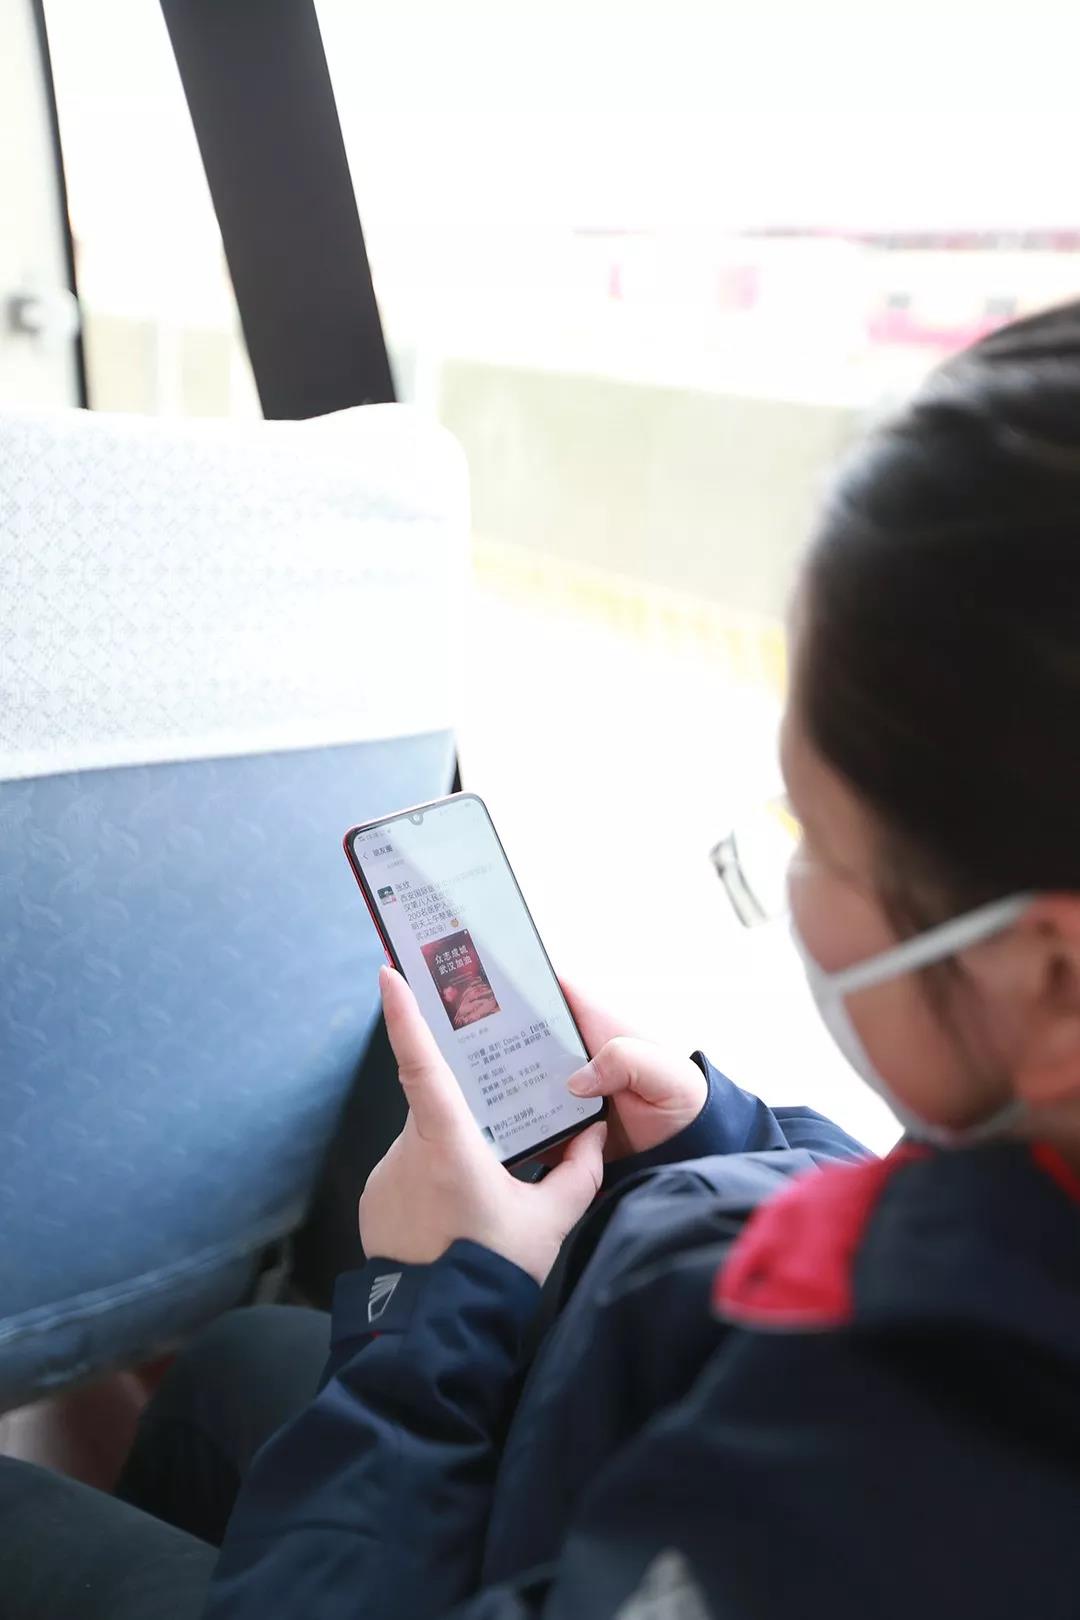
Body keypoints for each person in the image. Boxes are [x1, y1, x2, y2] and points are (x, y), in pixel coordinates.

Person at [4, 300, 1080, 1618]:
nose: (797, 887)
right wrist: (715, 1138)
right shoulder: (1025, 1178)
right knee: (237, 1366)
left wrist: (426, 1312)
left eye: (816, 839)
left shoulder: (881, 1472)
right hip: (606, 1434)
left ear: (1051, 982)